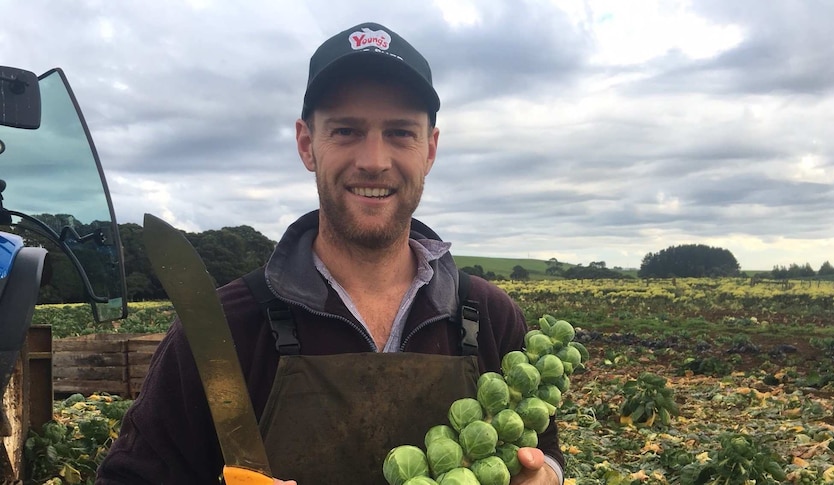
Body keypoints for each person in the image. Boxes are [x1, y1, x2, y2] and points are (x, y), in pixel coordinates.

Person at [96, 22, 564, 484]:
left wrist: (547, 479)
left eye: (401, 132)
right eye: (345, 130)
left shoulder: (490, 318)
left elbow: (547, 457)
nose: (374, 160)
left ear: (430, 150)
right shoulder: (226, 328)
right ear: (307, 144)